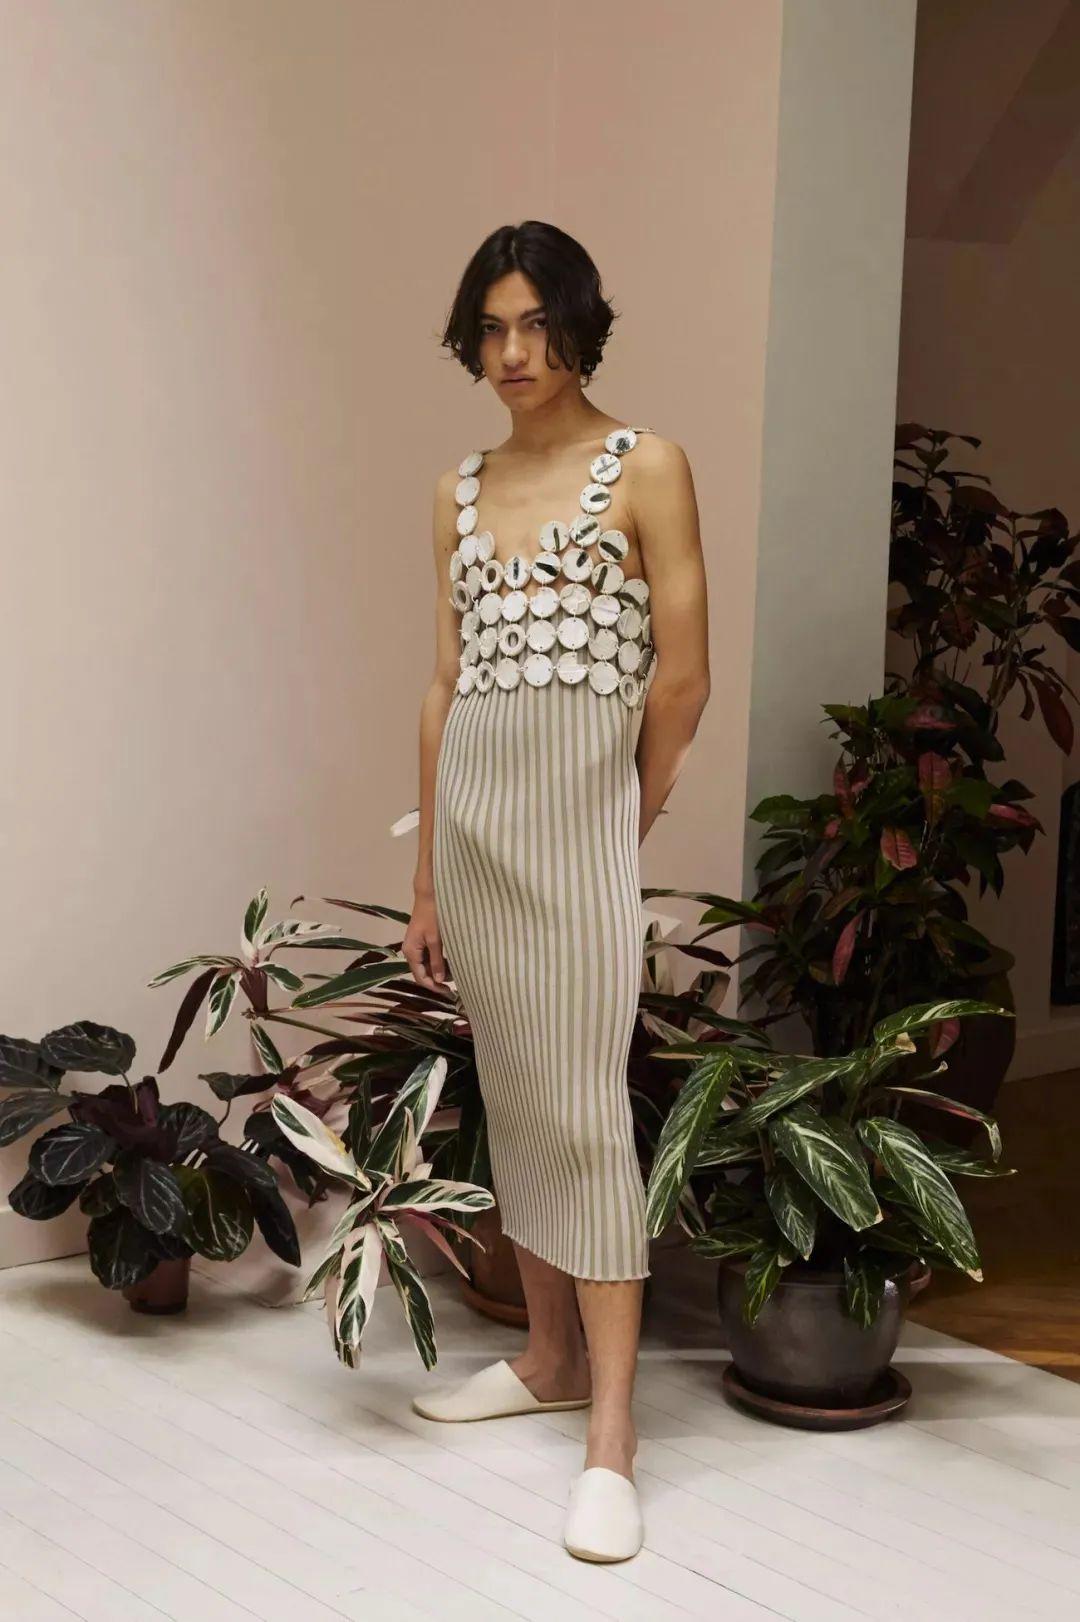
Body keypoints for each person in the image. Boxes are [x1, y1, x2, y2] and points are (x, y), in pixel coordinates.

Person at [403, 220, 710, 1562]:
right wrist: (425, 877)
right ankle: (544, 1359)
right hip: (475, 837)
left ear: (580, 324)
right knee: (517, 1099)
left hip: (578, 843)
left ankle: (613, 1440)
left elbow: (683, 678)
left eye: (536, 323)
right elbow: (444, 685)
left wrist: (624, 817)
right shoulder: (456, 489)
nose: (514, 352)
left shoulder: (647, 466)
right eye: (492, 328)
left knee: (586, 1116)